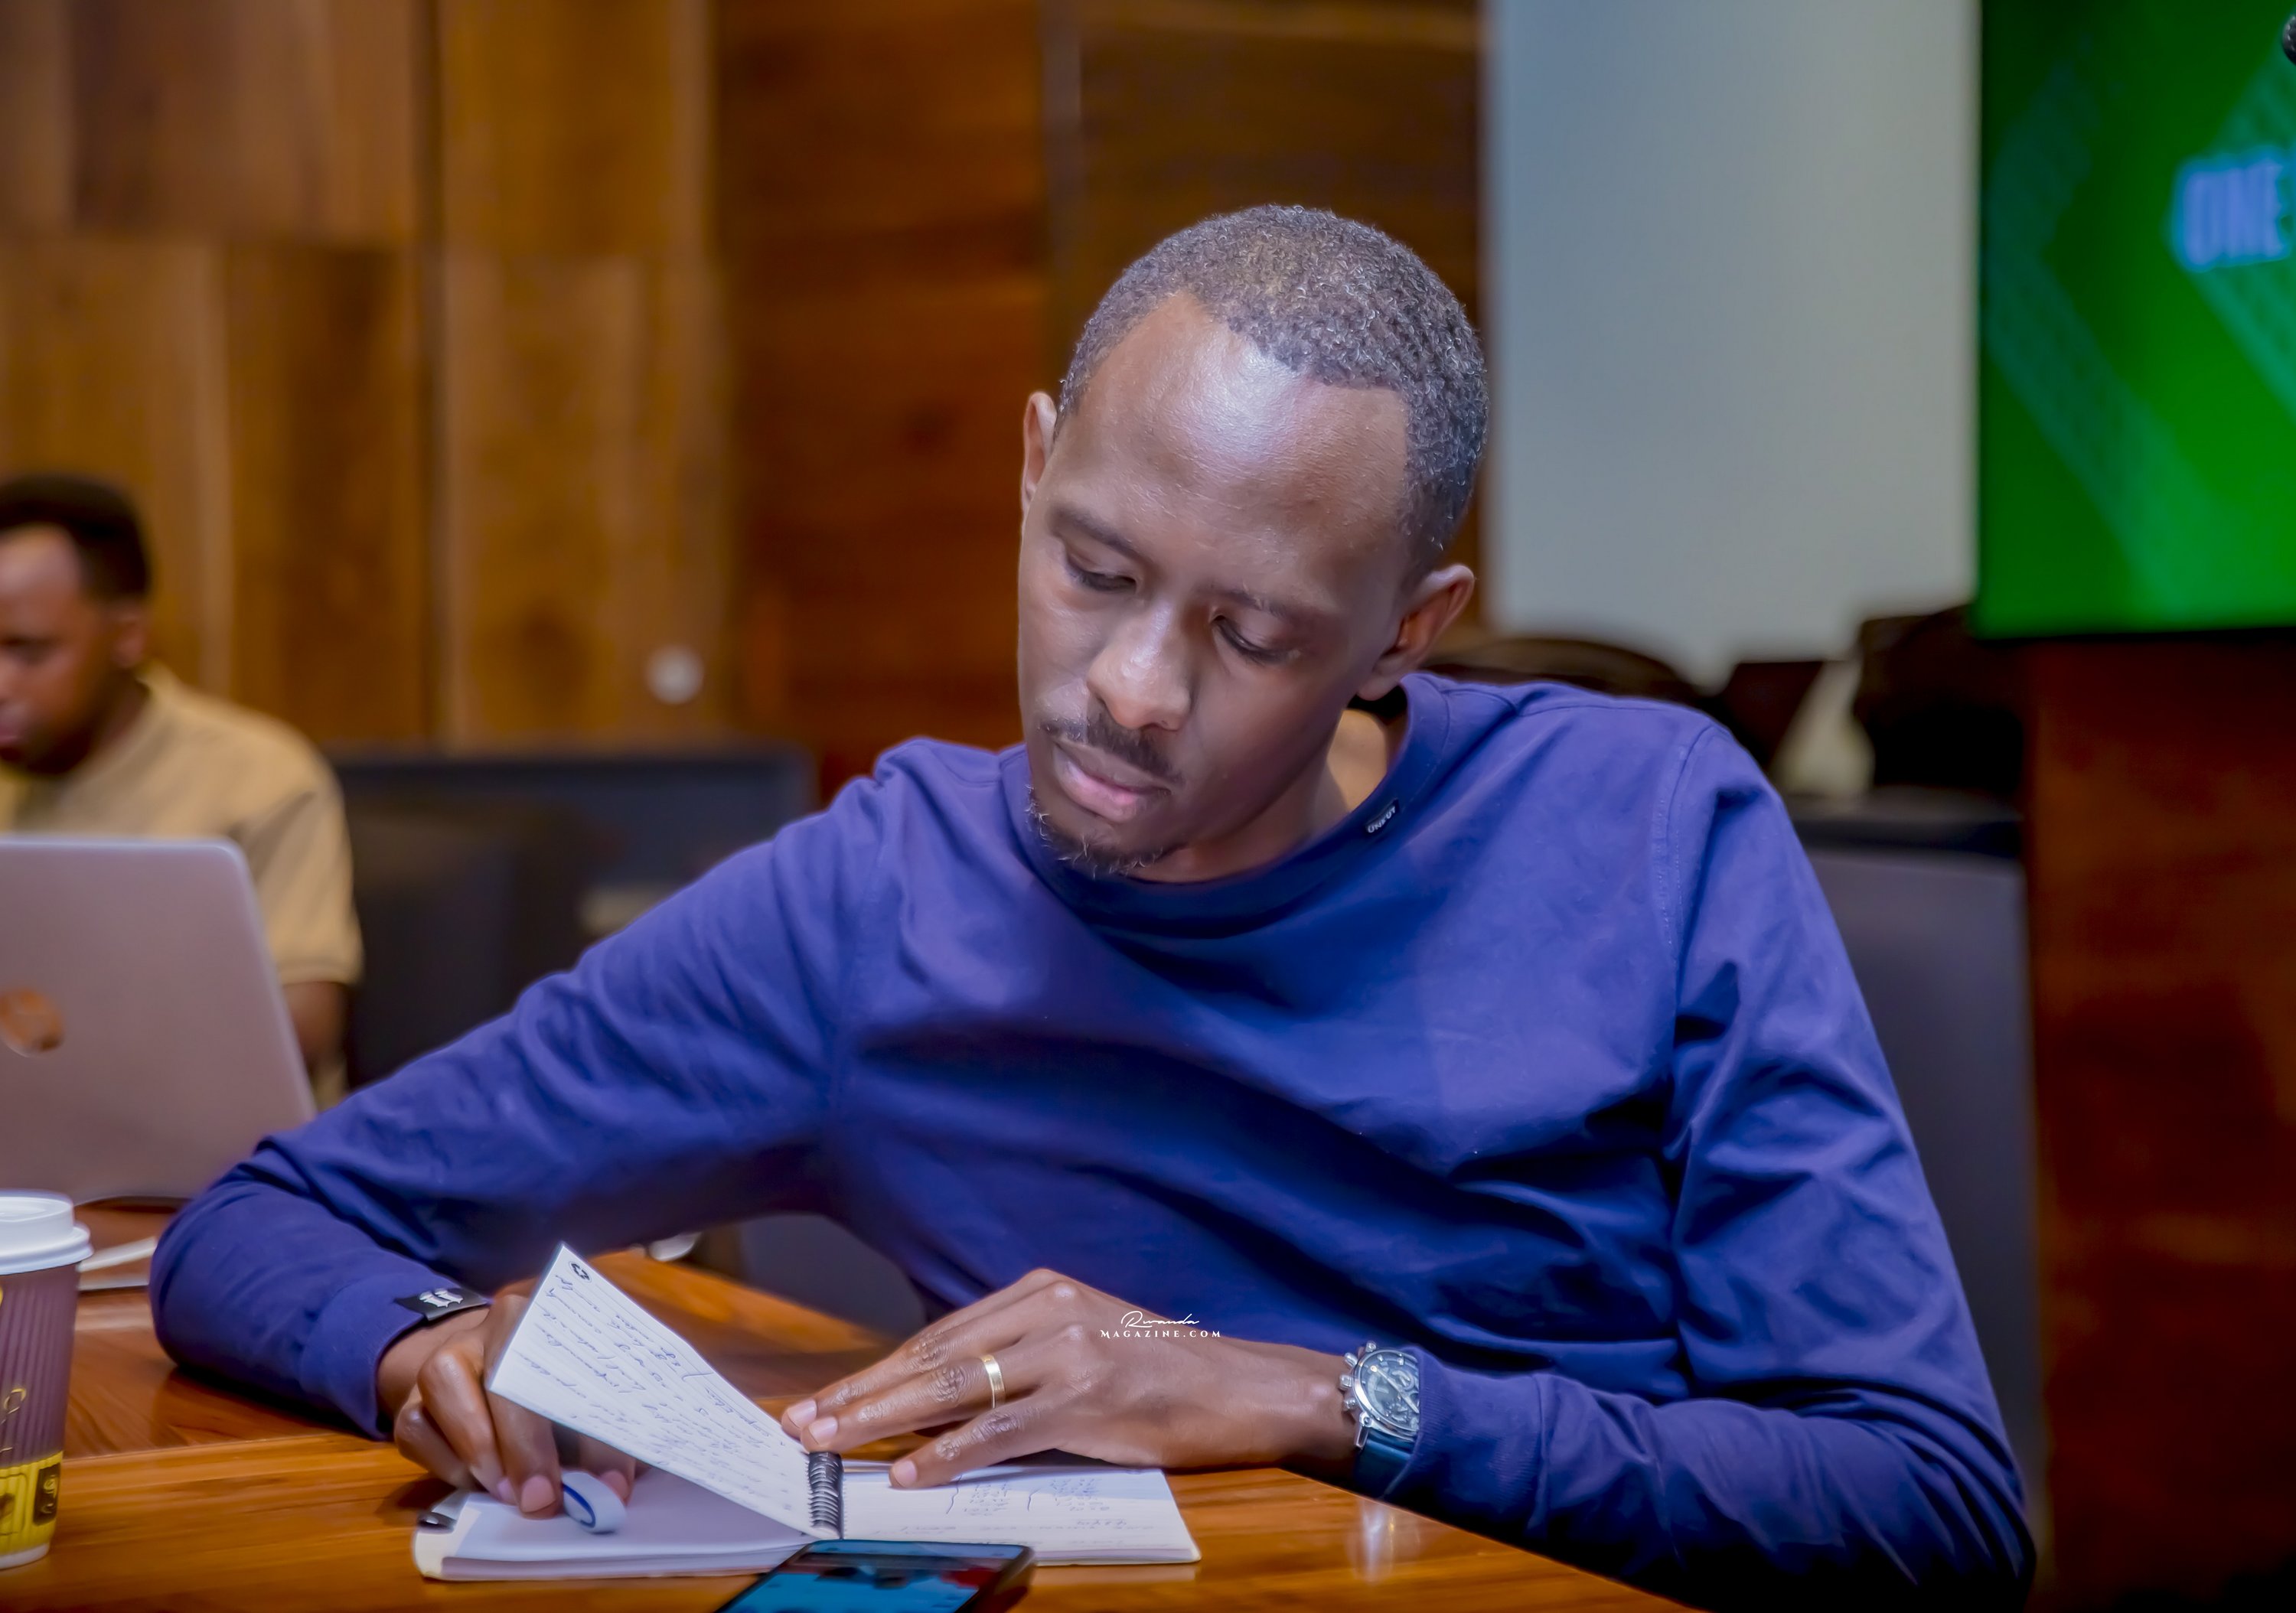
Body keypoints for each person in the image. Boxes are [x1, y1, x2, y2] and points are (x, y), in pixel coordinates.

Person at [151, 208, 2031, 1606]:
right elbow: (258, 1222)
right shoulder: (874, 904)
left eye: (1254, 633)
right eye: (1095, 567)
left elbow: (1927, 1506)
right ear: (1032, 464)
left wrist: (1317, 1396)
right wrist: (417, 1345)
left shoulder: (1646, 826)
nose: (1130, 689)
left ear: (1407, 630)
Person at [0, 472, 362, 1100]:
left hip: (215, 1145)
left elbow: (300, 1028)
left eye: (29, 653)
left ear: (128, 636)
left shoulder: (258, 779)